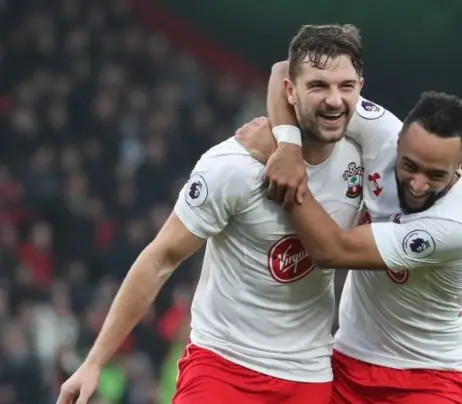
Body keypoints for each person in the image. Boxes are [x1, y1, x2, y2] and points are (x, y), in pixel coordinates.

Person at [57, 24, 367, 404]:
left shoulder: (367, 159)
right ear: (291, 91)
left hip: (308, 378)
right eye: (318, 85)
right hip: (222, 369)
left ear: (359, 88)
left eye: (345, 86)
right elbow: (161, 258)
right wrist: (94, 362)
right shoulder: (233, 166)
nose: (334, 100)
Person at [237, 88, 462, 404]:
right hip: (347, 365)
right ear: (398, 141)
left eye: (436, 175)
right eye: (410, 166)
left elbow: (333, 250)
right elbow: (291, 81)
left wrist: (285, 170)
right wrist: (286, 145)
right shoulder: (379, 131)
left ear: (460, 163)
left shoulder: (459, 224)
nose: (419, 184)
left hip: (428, 381)